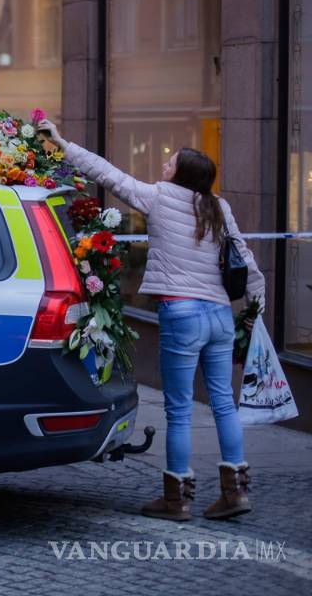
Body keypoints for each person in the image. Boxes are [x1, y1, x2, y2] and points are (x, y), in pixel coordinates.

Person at [37, 119, 265, 522]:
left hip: (182, 313)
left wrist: (62, 145)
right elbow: (246, 263)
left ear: (181, 174)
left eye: (170, 162)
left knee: (178, 409)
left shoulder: (159, 198)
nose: (164, 166)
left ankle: (177, 497)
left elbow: (108, 174)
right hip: (219, 317)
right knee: (224, 405)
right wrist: (254, 312)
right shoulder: (219, 207)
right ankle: (235, 492)